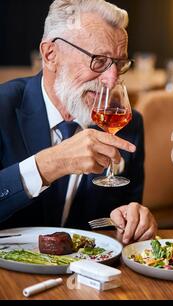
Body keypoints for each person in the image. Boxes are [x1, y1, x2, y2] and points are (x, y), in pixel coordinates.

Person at [0, 0, 157, 244]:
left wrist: (130, 221)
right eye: (99, 60)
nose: (111, 79)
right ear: (51, 55)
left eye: (118, 63)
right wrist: (49, 165)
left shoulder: (129, 125)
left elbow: (111, 222)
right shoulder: (3, 107)